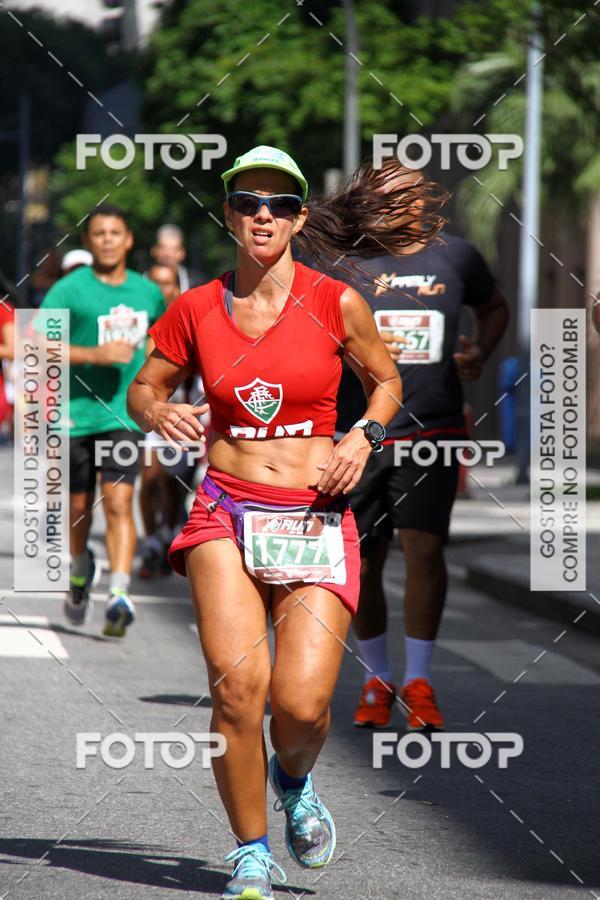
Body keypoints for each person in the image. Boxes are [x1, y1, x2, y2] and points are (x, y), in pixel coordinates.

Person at [127, 146, 443, 899]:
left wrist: (361, 436)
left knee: (300, 705)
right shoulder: (196, 307)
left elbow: (386, 380)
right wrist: (158, 411)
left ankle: (293, 778)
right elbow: (145, 386)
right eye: (247, 202)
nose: (262, 215)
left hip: (314, 515)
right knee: (239, 693)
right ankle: (251, 851)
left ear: (300, 218)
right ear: (228, 214)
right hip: (225, 510)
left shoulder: (336, 302)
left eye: (278, 204)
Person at [336, 166, 509, 733]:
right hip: (358, 431)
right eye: (379, 198)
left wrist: (479, 352)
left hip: (432, 429)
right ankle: (377, 678)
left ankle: (419, 682)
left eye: (399, 197)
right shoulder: (347, 260)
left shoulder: (456, 257)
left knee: (424, 549)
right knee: (364, 559)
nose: (387, 207)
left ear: (421, 201)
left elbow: (494, 307)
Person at [40, 205, 165, 635]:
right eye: (99, 233)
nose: (108, 239)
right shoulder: (68, 290)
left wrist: (156, 392)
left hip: (122, 416)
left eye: (115, 232)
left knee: (117, 501)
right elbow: (37, 343)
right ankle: (79, 570)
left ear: (128, 240)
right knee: (79, 507)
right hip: (74, 417)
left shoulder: (148, 293)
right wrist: (94, 354)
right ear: (88, 241)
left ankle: (119, 592)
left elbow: (160, 344)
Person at [138, 263, 203, 577]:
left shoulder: (192, 320)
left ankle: (168, 533)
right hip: (150, 412)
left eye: (166, 283)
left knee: (173, 482)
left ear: (178, 288)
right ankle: (152, 543)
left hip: (186, 415)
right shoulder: (139, 321)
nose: (161, 290)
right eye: (155, 283)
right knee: (150, 477)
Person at [150, 224, 202, 291]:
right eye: (162, 248)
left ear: (182, 252)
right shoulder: (142, 280)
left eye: (173, 249)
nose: (167, 254)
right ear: (153, 250)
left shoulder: (196, 283)